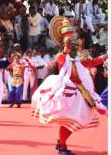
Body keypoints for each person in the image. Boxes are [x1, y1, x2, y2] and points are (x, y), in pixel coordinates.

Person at [31, 16, 107, 155]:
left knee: (74, 120)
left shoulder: (77, 59)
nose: (75, 46)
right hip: (68, 93)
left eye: (75, 44)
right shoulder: (61, 57)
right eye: (72, 43)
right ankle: (62, 146)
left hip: (81, 92)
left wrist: (105, 57)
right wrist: (66, 49)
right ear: (64, 45)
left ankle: (61, 142)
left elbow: (91, 63)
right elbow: (62, 60)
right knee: (70, 120)